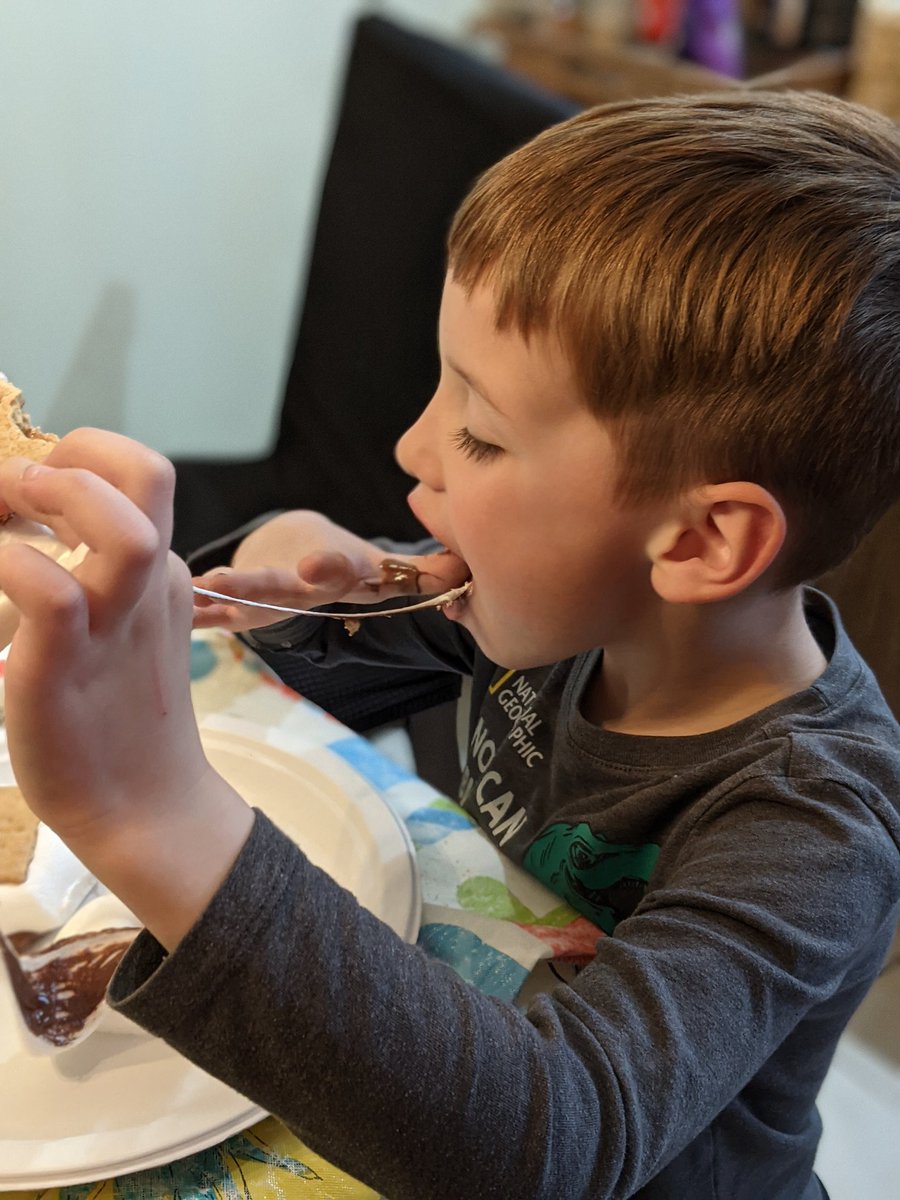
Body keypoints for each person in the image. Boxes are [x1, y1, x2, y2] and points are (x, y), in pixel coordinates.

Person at [1, 90, 899, 1200]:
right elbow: (294, 660)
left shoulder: (816, 829)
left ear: (705, 540)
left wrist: (149, 814)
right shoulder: (563, 603)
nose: (411, 446)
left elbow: (552, 1142)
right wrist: (287, 576)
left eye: (478, 430)